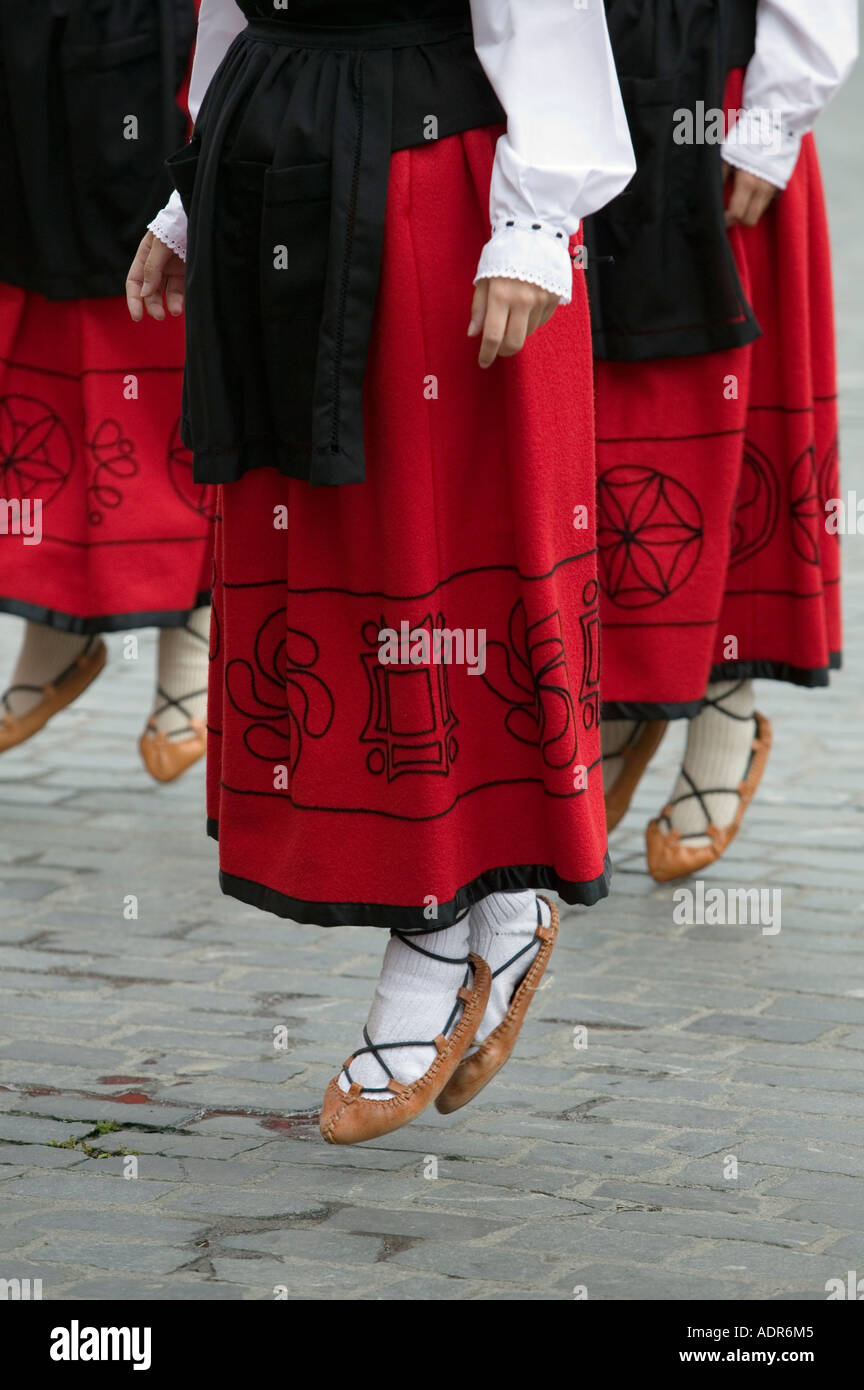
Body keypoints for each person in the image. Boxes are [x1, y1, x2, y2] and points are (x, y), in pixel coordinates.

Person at [128, 0, 635, 1143]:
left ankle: (445, 929)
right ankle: (499, 909)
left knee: (437, 567)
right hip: (280, 164)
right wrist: (191, 191)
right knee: (334, 559)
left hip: (436, 189)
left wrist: (531, 219)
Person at [584, 0, 857, 879]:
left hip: (724, 109)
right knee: (604, 432)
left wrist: (769, 127)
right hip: (584, 102)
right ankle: (633, 690)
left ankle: (723, 708)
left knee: (716, 431)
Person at [0, 0, 214, 782]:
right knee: (39, 311)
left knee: (155, 314)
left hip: (156, 46)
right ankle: (56, 621)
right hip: (31, 49)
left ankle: (193, 632)